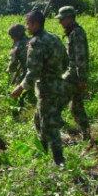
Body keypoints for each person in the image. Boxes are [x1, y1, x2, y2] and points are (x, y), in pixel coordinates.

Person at [11, 11, 68, 165]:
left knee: (50, 124)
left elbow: (33, 72)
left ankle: (59, 160)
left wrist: (20, 88)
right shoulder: (54, 38)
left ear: (36, 24)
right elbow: (66, 61)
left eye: (28, 23)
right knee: (39, 120)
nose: (26, 27)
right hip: (58, 85)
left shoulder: (36, 42)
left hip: (47, 88)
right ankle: (42, 150)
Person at [56, 6, 91, 140]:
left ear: (69, 18)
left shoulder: (76, 33)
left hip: (73, 77)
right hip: (75, 76)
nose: (60, 22)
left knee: (55, 103)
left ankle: (56, 134)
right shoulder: (73, 32)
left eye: (62, 19)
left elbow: (80, 57)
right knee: (76, 108)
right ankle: (86, 135)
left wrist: (81, 79)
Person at [6, 24, 31, 117]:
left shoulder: (19, 44)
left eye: (12, 36)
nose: (12, 38)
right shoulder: (30, 40)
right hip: (37, 70)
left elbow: (13, 64)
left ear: (16, 35)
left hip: (27, 71)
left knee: (18, 90)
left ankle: (16, 112)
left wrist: (9, 69)